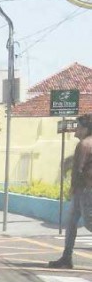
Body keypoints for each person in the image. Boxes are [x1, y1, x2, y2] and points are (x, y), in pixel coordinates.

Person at [49, 113, 92, 270]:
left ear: (86, 128)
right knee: (71, 223)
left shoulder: (84, 145)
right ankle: (67, 257)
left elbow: (78, 170)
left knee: (89, 223)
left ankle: (67, 257)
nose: (76, 130)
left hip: (85, 190)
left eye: (79, 127)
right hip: (84, 189)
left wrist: (72, 188)